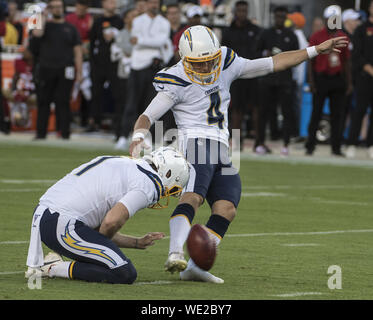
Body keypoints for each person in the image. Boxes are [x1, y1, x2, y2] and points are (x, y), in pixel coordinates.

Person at [128, 25, 348, 283]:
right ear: (184, 59)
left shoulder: (226, 62)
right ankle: (175, 252)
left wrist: (314, 50)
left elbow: (273, 63)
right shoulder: (175, 80)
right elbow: (147, 116)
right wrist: (138, 138)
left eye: (210, 62)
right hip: (195, 143)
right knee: (193, 197)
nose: (206, 68)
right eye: (199, 64)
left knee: (227, 208)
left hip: (222, 145)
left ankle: (197, 267)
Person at [25, 147, 190, 284]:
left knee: (111, 261)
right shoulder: (148, 184)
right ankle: (53, 267)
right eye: (173, 189)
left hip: (46, 215)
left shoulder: (124, 162)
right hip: (62, 224)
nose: (167, 194)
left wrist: (136, 242)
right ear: (167, 174)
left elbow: (96, 228)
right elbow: (111, 223)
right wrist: (101, 244)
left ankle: (56, 265)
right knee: (124, 272)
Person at [115, 0, 171, 150]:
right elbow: (135, 40)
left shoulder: (164, 23)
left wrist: (141, 40)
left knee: (151, 105)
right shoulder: (138, 20)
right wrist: (147, 42)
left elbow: (159, 41)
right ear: (146, 4)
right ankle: (122, 136)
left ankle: (148, 139)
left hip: (154, 68)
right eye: (151, 2)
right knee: (131, 104)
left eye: (156, 3)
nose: (153, 5)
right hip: (137, 65)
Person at [29, 0, 83, 140]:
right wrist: (43, 15)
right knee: (43, 102)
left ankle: (64, 133)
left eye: (59, 7)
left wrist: (80, 72)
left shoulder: (71, 28)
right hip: (46, 68)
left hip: (66, 69)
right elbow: (36, 34)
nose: (57, 9)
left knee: (63, 102)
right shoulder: (44, 25)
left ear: (63, 8)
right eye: (54, 7)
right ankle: (41, 134)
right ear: (50, 9)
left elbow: (78, 51)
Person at [305, 5, 352, 156]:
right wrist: (311, 82)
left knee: (337, 115)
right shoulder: (317, 36)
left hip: (337, 78)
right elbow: (310, 61)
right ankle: (310, 146)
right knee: (316, 113)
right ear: (326, 19)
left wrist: (349, 82)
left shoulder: (343, 36)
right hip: (321, 79)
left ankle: (336, 148)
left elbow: (346, 62)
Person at [254, 6, 299, 156]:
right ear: (274, 17)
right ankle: (260, 142)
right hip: (268, 79)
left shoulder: (291, 35)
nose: (279, 19)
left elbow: (297, 57)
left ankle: (285, 144)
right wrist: (264, 54)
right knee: (264, 112)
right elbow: (256, 52)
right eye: (277, 16)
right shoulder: (266, 33)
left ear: (286, 18)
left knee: (287, 112)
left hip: (284, 80)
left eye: (282, 16)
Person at [221, 0, 261, 147]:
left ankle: (259, 142)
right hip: (235, 76)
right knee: (236, 109)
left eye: (244, 11)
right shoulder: (228, 31)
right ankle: (237, 141)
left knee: (256, 108)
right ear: (235, 12)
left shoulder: (256, 30)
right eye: (239, 11)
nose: (242, 14)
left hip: (253, 73)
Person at [87, 0, 124, 132]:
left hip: (114, 63)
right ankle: (94, 121)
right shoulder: (98, 21)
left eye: (114, 2)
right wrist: (92, 62)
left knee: (118, 94)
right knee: (95, 93)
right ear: (103, 4)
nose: (112, 5)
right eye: (109, 2)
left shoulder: (120, 21)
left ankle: (117, 123)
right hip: (99, 63)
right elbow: (92, 42)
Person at [346, 0, 373, 159]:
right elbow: (356, 55)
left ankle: (370, 144)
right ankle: (351, 143)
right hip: (364, 77)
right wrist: (369, 68)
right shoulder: (361, 29)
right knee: (359, 110)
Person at [110, 7, 138, 139]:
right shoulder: (121, 34)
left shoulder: (140, 33)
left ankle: (134, 133)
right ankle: (119, 133)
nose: (135, 19)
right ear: (126, 18)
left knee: (136, 105)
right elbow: (117, 51)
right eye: (132, 16)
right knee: (121, 104)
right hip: (123, 74)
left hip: (137, 73)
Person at [65, 0, 93, 128]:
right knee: (69, 90)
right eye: (79, 6)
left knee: (86, 91)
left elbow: (91, 39)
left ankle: (85, 119)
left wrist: (84, 47)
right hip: (69, 59)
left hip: (85, 61)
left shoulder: (89, 19)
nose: (81, 9)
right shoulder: (69, 18)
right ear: (76, 6)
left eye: (84, 6)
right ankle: (67, 119)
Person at [288, 12, 308, 138]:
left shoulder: (297, 36)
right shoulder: (301, 36)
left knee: (294, 105)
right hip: (298, 76)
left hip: (296, 76)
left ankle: (295, 132)